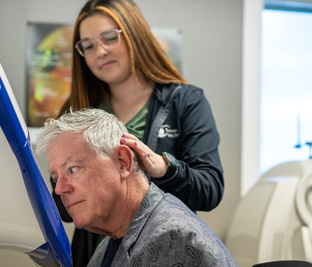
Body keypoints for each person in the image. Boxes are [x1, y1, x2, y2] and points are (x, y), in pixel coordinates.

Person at [53, 0, 224, 265]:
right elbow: (63, 207)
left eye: (109, 38)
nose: (100, 51)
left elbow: (210, 189)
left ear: (134, 34)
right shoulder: (76, 112)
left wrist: (165, 169)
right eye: (88, 46)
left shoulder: (186, 102)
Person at [35, 108, 236, 267]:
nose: (60, 189)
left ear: (123, 162)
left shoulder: (171, 239)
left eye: (72, 169)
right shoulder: (113, 240)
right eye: (55, 178)